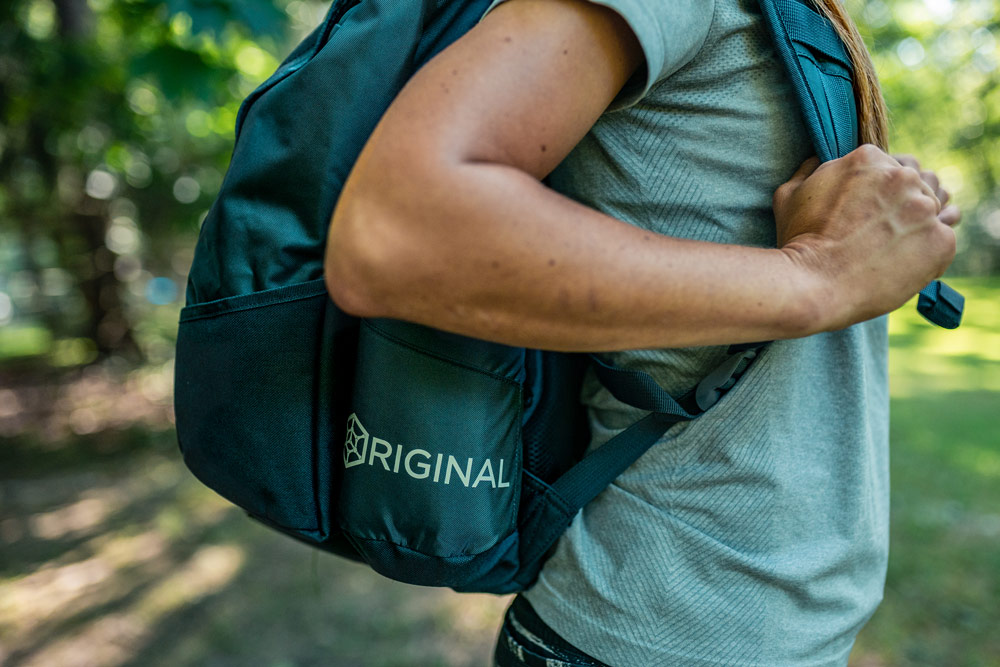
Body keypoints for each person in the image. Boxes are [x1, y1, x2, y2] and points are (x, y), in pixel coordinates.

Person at [323, 0, 961, 664]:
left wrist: (882, 222)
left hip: (764, 634)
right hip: (650, 633)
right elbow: (393, 234)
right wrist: (819, 276)